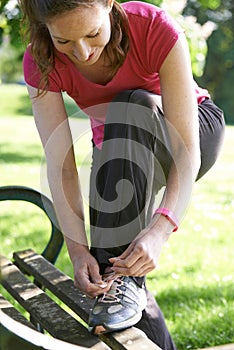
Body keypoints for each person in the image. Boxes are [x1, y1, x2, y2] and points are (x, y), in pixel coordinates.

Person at [19, 0, 225, 348]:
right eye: (64, 41)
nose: (82, 52)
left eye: (92, 33)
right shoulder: (39, 59)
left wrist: (161, 230)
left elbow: (186, 149)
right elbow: (62, 164)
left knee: (132, 103)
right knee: (111, 277)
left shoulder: (154, 27)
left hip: (191, 134)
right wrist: (78, 250)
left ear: (109, 4)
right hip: (118, 152)